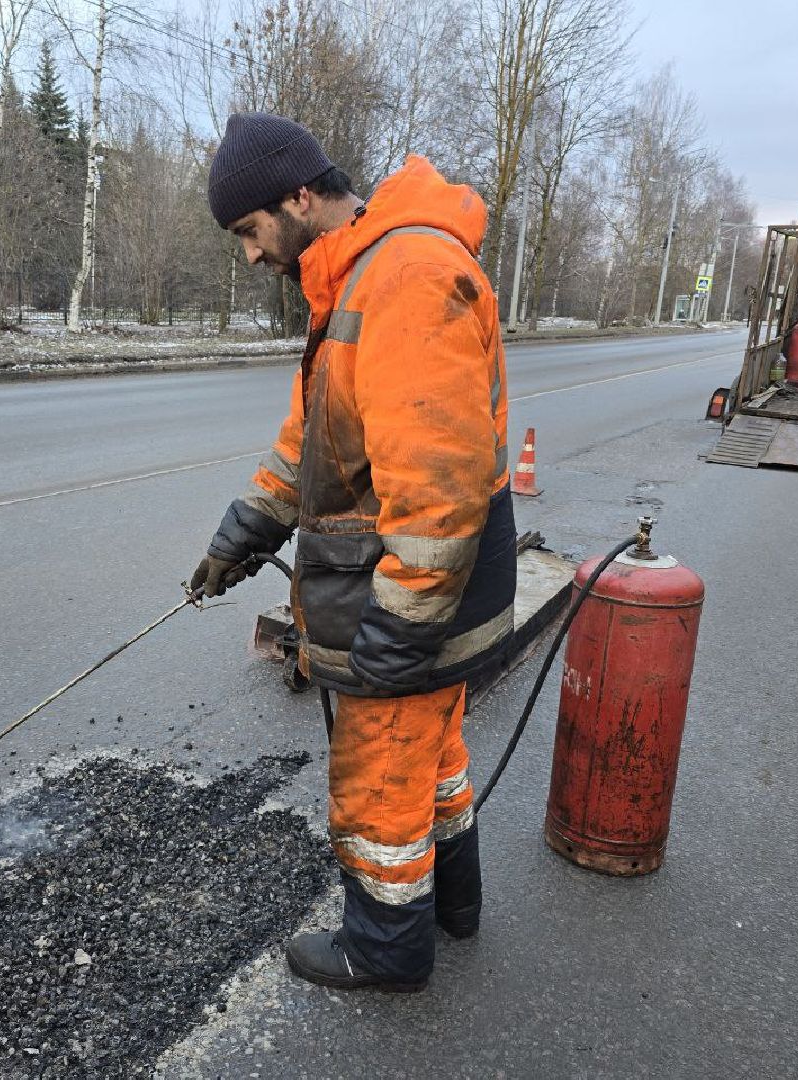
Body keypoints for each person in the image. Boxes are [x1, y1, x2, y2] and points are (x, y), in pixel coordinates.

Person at [190, 113, 516, 992]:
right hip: (435, 597)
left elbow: (440, 482)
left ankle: (384, 950)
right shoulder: (359, 279)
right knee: (433, 761)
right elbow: (315, 443)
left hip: (413, 597)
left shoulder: (403, 278)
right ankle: (455, 906)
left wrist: (401, 628)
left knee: (378, 785)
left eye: (251, 232)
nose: (253, 256)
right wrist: (248, 526)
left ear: (300, 197)